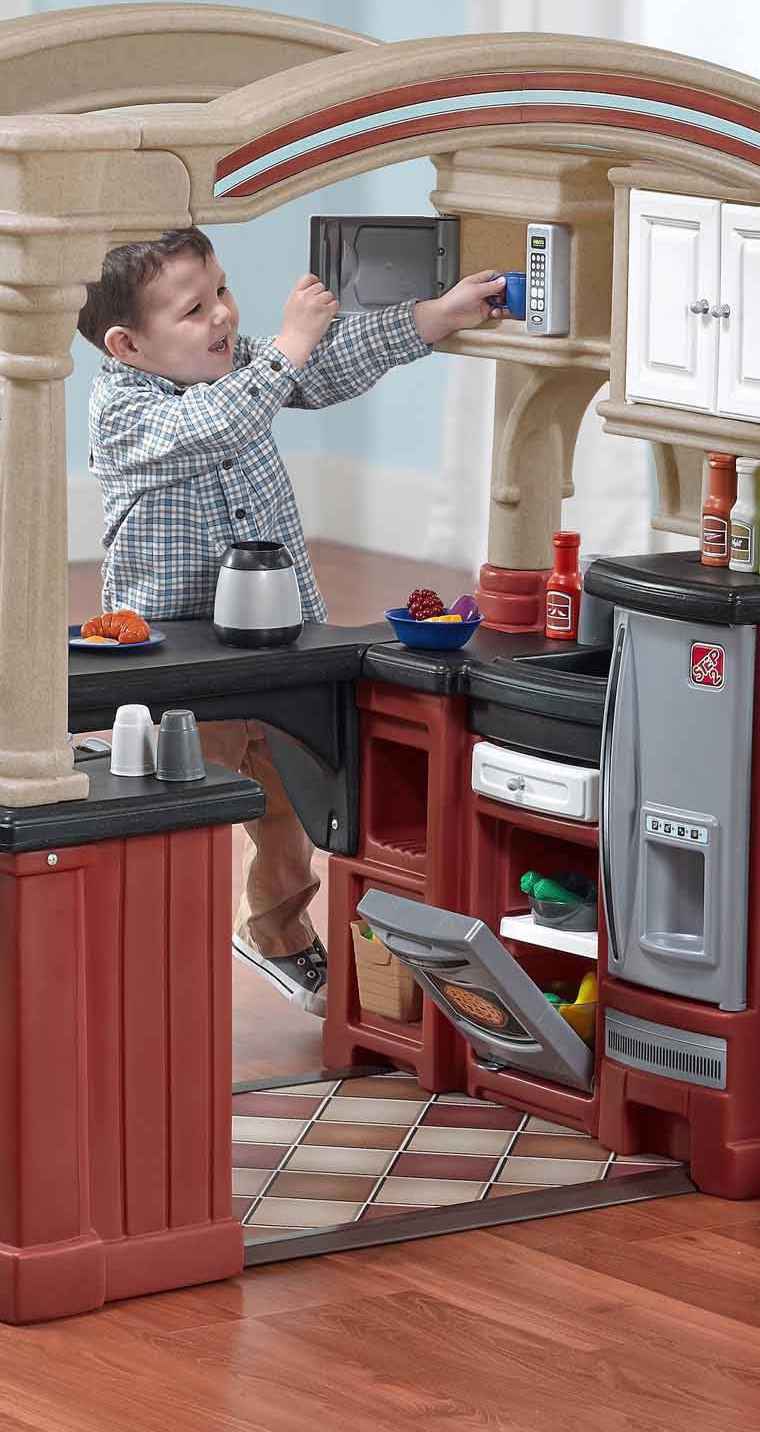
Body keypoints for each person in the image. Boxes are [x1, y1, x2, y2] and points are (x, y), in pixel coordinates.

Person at [82, 227, 503, 1015]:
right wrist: (287, 347)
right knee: (171, 805)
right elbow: (216, 427)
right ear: (128, 344)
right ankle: (143, 956)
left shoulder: (243, 367)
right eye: (195, 308)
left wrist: (433, 317)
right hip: (180, 653)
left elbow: (324, 365)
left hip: (280, 634)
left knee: (290, 798)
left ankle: (275, 932)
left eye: (223, 292)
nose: (223, 317)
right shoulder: (122, 408)